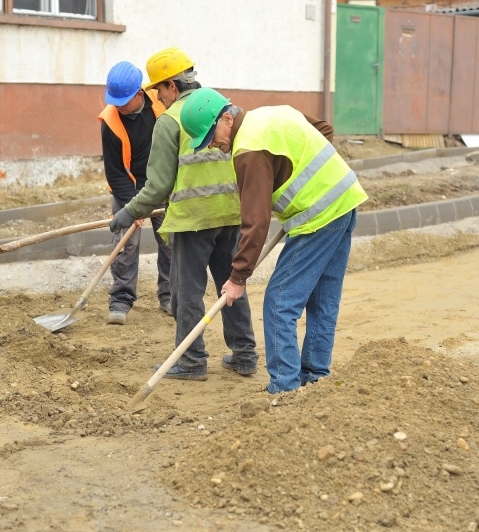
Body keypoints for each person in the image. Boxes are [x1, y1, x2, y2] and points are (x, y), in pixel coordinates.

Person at [179, 87, 369, 393]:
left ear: (226, 118)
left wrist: (238, 276)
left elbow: (256, 222)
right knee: (322, 300)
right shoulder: (271, 113)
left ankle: (284, 387)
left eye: (211, 137)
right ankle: (315, 376)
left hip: (318, 218)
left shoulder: (248, 150)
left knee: (280, 302)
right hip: (345, 200)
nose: (213, 146)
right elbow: (324, 131)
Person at [109, 48, 258, 381]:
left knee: (186, 292)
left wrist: (128, 212)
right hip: (231, 214)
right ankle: (245, 355)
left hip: (194, 220)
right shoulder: (219, 107)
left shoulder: (169, 121)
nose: (158, 97)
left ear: (173, 86)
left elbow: (158, 185)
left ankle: (191, 361)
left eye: (159, 89)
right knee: (231, 286)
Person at [99, 61, 172, 325]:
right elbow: (115, 171)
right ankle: (121, 300)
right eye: (114, 101)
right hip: (127, 187)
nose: (117, 107)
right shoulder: (110, 121)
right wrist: (132, 208)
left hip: (162, 184)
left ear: (139, 95)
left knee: (170, 241)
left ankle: (169, 296)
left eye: (123, 102)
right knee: (124, 245)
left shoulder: (161, 103)